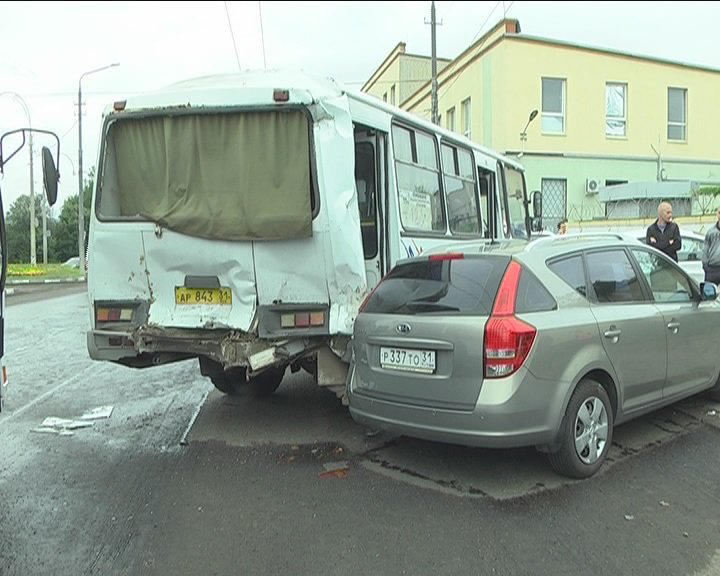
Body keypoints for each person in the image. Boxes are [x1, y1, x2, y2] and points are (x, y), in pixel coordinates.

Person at [702, 208, 720, 284]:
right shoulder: (711, 232)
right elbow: (705, 250)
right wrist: (706, 266)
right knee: (709, 293)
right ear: (717, 214)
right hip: (712, 269)